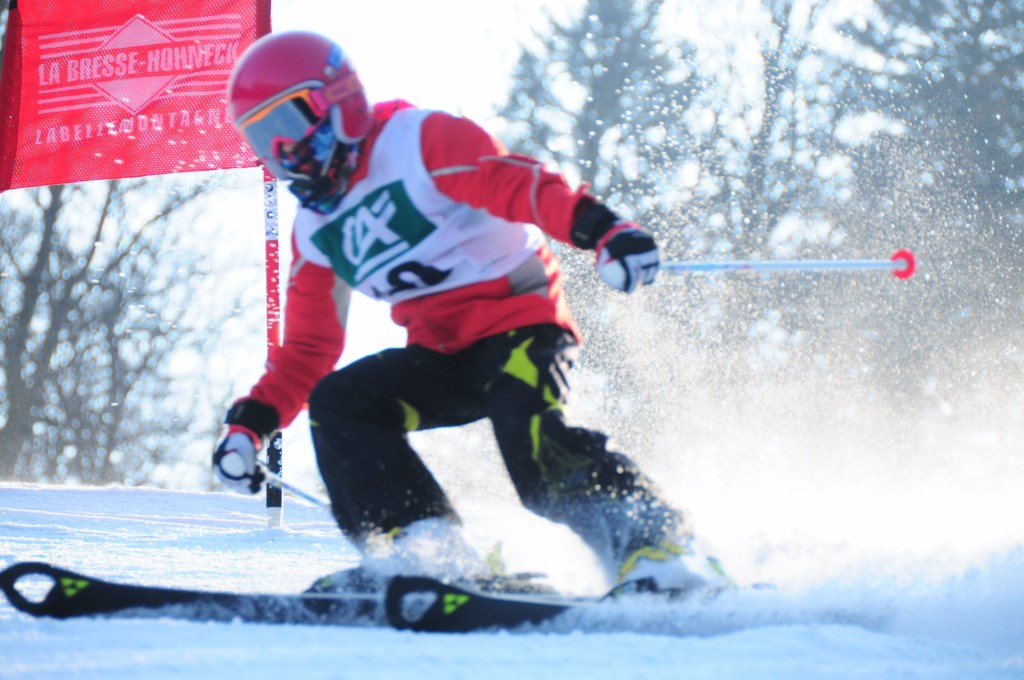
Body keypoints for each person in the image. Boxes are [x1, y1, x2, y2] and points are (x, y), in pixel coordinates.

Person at [213, 30, 721, 593]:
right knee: (342, 403)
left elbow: (520, 184)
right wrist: (251, 425)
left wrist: (603, 231)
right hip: (441, 355)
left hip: (520, 325)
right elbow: (310, 350)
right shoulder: (317, 230)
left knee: (534, 455)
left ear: (338, 100)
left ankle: (658, 545)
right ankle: (424, 549)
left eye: (285, 124)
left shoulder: (416, 143)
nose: (282, 152)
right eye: (262, 140)